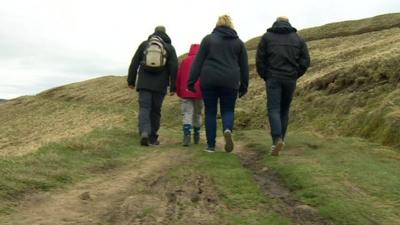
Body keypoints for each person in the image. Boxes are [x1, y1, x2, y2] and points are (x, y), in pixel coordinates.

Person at [188, 15, 249, 153]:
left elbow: (198, 62)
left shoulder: (208, 39)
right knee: (228, 110)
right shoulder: (239, 43)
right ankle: (227, 129)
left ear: (217, 25)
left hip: (209, 80)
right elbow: (244, 67)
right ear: (231, 25)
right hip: (230, 81)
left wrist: (191, 81)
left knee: (210, 112)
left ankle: (210, 146)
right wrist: (244, 85)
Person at [256, 16, 310, 156]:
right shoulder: (297, 38)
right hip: (290, 79)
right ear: (288, 23)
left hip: (273, 78)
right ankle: (280, 140)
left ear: (276, 22)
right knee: (284, 110)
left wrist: (265, 75)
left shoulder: (267, 37)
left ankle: (276, 140)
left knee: (273, 108)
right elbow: (305, 61)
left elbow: (260, 60)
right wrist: (295, 74)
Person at [127, 25, 178, 146]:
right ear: (165, 34)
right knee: (156, 111)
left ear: (154, 33)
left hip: (144, 83)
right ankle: (152, 138)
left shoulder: (144, 45)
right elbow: (174, 68)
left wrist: (131, 81)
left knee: (144, 108)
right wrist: (173, 87)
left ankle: (144, 131)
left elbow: (134, 62)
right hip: (160, 85)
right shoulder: (169, 48)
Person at [176, 44, 203, 147]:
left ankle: (186, 136)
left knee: (187, 113)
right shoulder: (203, 61)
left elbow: (179, 77)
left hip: (186, 92)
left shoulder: (184, 61)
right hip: (200, 93)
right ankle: (196, 135)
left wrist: (179, 92)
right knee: (198, 114)